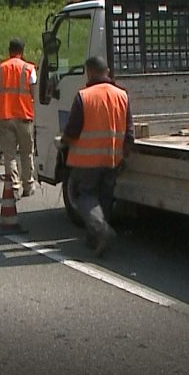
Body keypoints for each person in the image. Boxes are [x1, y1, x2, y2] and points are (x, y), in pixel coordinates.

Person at [62, 55, 134, 255]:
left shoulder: (84, 96)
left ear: (90, 72)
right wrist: (124, 154)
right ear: (108, 72)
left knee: (83, 195)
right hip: (112, 158)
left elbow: (73, 129)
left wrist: (64, 142)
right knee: (105, 197)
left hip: (87, 159)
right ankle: (95, 238)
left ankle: (102, 231)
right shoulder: (122, 95)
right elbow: (129, 131)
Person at [0, 37, 37, 197]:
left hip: (5, 116)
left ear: (9, 51)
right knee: (26, 152)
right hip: (24, 116)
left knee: (9, 155)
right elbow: (34, 93)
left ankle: (14, 187)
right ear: (22, 52)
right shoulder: (29, 68)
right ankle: (28, 186)